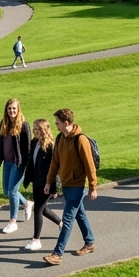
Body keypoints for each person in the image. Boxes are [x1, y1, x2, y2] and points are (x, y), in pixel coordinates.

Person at [43, 108, 97, 266]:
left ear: (66, 123)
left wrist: (93, 187)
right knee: (79, 214)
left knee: (67, 219)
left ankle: (57, 254)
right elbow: (55, 162)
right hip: (66, 184)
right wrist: (49, 181)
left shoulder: (81, 140)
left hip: (77, 186)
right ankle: (90, 242)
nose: (56, 126)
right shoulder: (60, 138)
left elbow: (89, 165)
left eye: (58, 123)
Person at [0, 98, 33, 234]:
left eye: (14, 108)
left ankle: (13, 221)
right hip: (7, 161)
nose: (11, 111)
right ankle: (26, 203)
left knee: (13, 190)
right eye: (9, 109)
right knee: (6, 191)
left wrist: (29, 166)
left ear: (18, 109)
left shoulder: (24, 125)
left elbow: (28, 148)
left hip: (18, 162)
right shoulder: (4, 124)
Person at [20, 118, 62, 251]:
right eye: (34, 128)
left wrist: (53, 187)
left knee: (38, 209)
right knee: (42, 209)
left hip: (46, 184)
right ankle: (61, 223)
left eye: (38, 129)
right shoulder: (34, 143)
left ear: (44, 130)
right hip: (36, 182)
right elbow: (31, 162)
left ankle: (36, 240)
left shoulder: (51, 146)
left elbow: (55, 168)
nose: (35, 131)